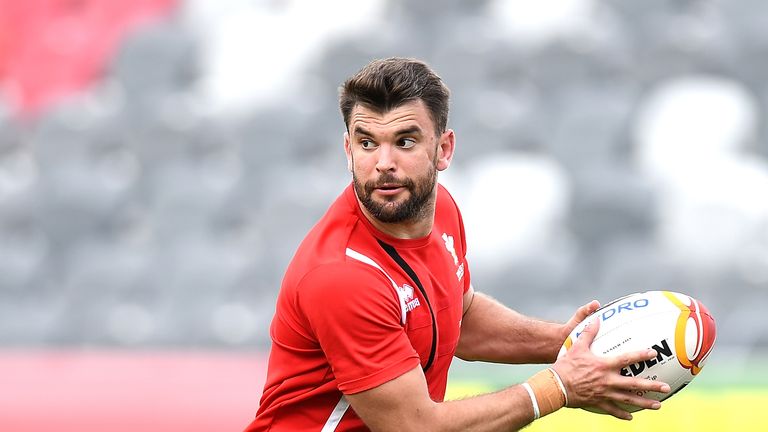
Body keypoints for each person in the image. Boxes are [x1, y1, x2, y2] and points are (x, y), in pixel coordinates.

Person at [244, 57, 670, 432]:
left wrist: (564, 341)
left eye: (405, 141)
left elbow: (458, 317)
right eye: (367, 142)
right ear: (347, 148)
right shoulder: (341, 276)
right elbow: (414, 427)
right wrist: (557, 386)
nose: (384, 162)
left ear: (443, 150)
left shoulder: (440, 209)